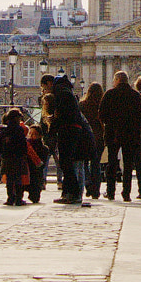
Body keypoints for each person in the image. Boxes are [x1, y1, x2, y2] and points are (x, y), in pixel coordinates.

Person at [99, 71, 141, 201]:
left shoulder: (109, 94)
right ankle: (126, 193)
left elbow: (101, 115)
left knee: (112, 163)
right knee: (128, 165)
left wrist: (108, 125)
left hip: (113, 133)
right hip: (131, 134)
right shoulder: (136, 96)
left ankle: (110, 191)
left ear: (117, 80)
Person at [49, 75, 93, 204]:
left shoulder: (61, 93)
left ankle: (73, 192)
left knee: (66, 163)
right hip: (73, 129)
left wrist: (52, 130)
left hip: (68, 130)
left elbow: (59, 115)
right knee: (67, 163)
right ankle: (67, 193)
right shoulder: (67, 92)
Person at [0, 108, 35, 205]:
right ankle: (18, 199)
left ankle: (10, 198)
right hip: (18, 157)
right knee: (18, 178)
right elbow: (23, 143)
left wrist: (1, 152)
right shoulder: (19, 129)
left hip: (7, 157)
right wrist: (24, 154)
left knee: (9, 179)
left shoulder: (5, 129)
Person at [79, 81, 105, 199]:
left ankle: (88, 184)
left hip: (85, 137)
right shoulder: (102, 105)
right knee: (96, 164)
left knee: (84, 163)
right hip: (99, 137)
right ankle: (96, 190)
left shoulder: (82, 104)